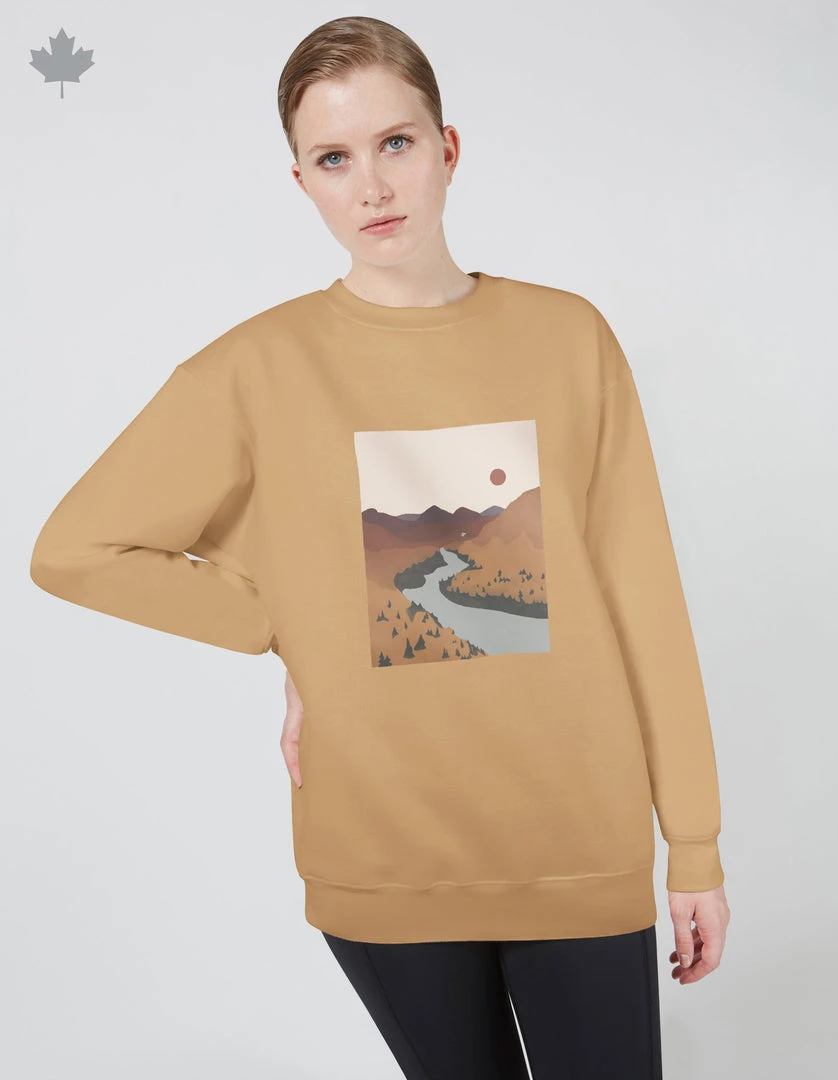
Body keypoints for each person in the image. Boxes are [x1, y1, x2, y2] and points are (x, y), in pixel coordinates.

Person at [29, 15, 731, 1080]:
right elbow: (75, 548)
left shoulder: (568, 338)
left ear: (447, 148)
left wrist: (695, 843)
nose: (372, 186)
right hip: (382, 856)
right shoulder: (255, 370)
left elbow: (644, 599)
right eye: (333, 159)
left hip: (577, 846)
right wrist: (288, 629)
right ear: (301, 181)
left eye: (395, 143)